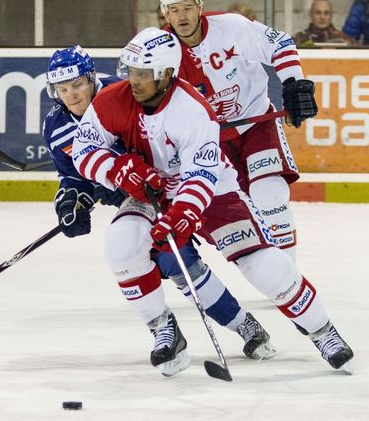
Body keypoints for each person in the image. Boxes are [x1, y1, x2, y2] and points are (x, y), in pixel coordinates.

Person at [71, 27, 354, 376]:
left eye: (143, 74)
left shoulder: (193, 110)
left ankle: (323, 331)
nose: (134, 81)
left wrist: (182, 215)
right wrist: (118, 170)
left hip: (212, 189)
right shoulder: (112, 101)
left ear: (167, 73)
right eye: (130, 71)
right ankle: (164, 331)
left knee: (264, 266)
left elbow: (200, 177)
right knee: (121, 246)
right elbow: (83, 151)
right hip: (152, 192)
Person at [43, 45, 276, 376]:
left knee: (181, 261)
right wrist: (72, 201)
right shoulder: (55, 127)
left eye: (78, 85)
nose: (72, 96)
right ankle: (165, 330)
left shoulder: (124, 93)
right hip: (133, 199)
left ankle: (243, 326)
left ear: (92, 78)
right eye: (62, 89)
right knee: (158, 260)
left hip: (173, 186)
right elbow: (71, 176)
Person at [159, 0, 312, 262]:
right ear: (165, 13)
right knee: (240, 215)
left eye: (188, 7)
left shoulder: (231, 26)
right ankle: (268, 266)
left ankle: (288, 274)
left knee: (269, 196)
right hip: (210, 143)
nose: (182, 16)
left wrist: (293, 82)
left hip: (256, 124)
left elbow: (279, 43)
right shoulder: (161, 51)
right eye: (174, 9)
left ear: (200, 6)